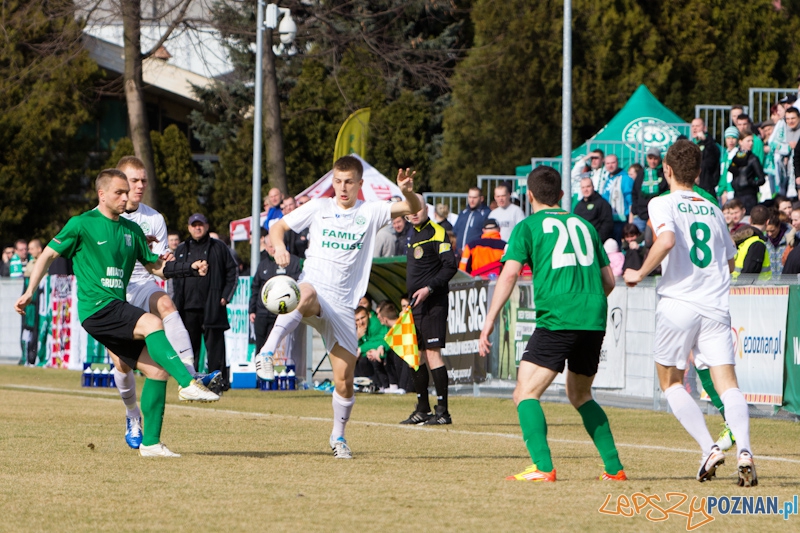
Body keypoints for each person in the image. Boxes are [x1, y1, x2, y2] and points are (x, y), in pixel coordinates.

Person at [15, 169, 218, 458]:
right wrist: (30, 290)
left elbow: (156, 267)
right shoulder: (81, 224)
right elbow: (47, 254)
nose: (126, 197)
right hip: (96, 308)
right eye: (119, 192)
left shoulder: (131, 230)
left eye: (128, 192)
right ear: (102, 194)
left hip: (115, 306)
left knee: (155, 370)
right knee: (152, 322)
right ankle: (188, 383)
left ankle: (150, 444)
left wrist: (189, 267)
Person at [254, 156, 421, 459]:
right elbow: (277, 227)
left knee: (344, 382)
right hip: (315, 287)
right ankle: (267, 353)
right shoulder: (319, 207)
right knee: (301, 294)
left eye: (348, 182)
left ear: (360, 184)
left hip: (344, 306)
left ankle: (338, 436)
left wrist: (406, 191)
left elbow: (413, 207)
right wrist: (279, 247)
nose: (342, 188)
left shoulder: (370, 211)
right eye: (337, 181)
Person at [478, 166, 625, 482]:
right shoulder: (586, 226)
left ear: (529, 195)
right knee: (581, 395)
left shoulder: (528, 226)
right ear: (561, 195)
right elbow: (609, 280)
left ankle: (544, 467)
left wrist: (489, 320)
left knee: (525, 394)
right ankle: (614, 469)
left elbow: (509, 274)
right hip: (594, 317)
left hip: (559, 317)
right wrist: (588, 301)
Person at [623, 139, 756, 486]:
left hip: (679, 304)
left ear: (666, 170)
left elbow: (665, 241)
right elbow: (728, 259)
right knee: (729, 385)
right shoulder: (712, 208)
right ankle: (744, 450)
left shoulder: (661, 202)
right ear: (698, 173)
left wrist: (640, 272)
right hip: (715, 304)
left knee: (670, 382)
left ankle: (708, 447)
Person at [110, 157, 224, 449]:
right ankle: (132, 414)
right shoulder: (107, 216)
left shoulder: (154, 219)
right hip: (114, 290)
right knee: (122, 364)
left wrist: (185, 266)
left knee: (166, 305)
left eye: (143, 180)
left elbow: (157, 266)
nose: (139, 186)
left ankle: (190, 375)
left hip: (143, 283)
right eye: (134, 180)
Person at [401, 193, 458, 426]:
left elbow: (450, 267)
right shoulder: (411, 235)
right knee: (416, 355)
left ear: (427, 208)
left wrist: (428, 289)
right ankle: (422, 408)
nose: (414, 212)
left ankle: (443, 411)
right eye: (409, 209)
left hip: (433, 303)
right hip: (415, 306)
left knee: (433, 353)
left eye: (418, 207)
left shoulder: (437, 231)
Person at [173, 213, 238, 390]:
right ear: (189, 228)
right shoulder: (181, 249)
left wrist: (226, 296)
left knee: (216, 349)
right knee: (188, 349)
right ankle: (188, 382)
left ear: (207, 226)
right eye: (194, 225)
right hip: (187, 307)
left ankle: (219, 382)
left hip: (213, 306)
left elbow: (232, 272)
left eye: (200, 224)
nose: (197, 228)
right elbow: (175, 277)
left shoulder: (219, 247)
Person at [249, 231, 302, 353]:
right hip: (262, 314)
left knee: (278, 349)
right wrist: (252, 310)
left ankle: (279, 372)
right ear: (266, 247)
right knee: (260, 347)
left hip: (283, 314)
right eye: (270, 246)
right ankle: (260, 371)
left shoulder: (293, 262)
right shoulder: (263, 264)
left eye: (275, 246)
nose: (273, 249)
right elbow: (255, 287)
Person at [630, 147, 668, 234]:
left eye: (655, 159)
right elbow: (635, 192)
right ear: (646, 158)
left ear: (659, 159)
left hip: (658, 215)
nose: (652, 162)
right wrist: (636, 210)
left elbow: (665, 192)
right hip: (641, 215)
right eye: (650, 158)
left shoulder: (663, 173)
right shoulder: (641, 173)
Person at [597, 154, 633, 242]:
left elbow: (630, 201)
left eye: (613, 162)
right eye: (607, 163)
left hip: (621, 219)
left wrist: (630, 222)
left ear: (617, 163)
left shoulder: (625, 178)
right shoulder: (605, 179)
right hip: (608, 219)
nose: (610, 165)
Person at [728, 134, 766, 213]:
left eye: (752, 141)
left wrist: (750, 183)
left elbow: (761, 179)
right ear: (740, 142)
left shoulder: (753, 158)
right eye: (748, 141)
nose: (751, 143)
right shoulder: (735, 157)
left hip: (749, 196)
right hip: (737, 194)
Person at [731, 205, 769, 278]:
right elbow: (749, 276)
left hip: (734, 286)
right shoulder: (757, 244)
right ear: (767, 222)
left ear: (750, 220)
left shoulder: (741, 238)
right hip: (754, 289)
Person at [573, 177, 614, 243]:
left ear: (593, 187)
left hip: (598, 242)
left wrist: (596, 239)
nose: (585, 190)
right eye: (583, 187)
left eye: (588, 186)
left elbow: (607, 224)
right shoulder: (578, 207)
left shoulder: (602, 203)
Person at [453, 187, 491, 252]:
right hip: (460, 254)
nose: (471, 200)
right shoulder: (463, 213)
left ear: (481, 198)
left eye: (474, 198)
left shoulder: (486, 213)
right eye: (470, 197)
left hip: (476, 254)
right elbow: (455, 232)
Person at [691, 117, 721, 196]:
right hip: (694, 186)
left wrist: (705, 140)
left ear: (704, 128)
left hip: (707, 185)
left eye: (697, 126)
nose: (694, 128)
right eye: (693, 126)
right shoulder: (691, 144)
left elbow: (713, 157)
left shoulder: (710, 143)